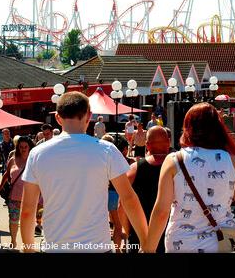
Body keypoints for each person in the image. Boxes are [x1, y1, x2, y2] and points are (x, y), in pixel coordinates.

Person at [20, 91, 148, 253]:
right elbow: (129, 199)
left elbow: (27, 211)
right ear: (89, 116)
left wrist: (28, 249)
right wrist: (146, 242)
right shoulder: (106, 150)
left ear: (58, 118)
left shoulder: (37, 153)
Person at [143, 102, 235, 253]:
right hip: (224, 244)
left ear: (188, 128)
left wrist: (149, 249)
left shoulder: (174, 161)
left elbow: (162, 212)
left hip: (182, 244)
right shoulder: (233, 162)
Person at [120, 125, 171, 253]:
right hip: (172, 235)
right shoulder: (179, 168)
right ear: (168, 143)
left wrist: (126, 231)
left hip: (140, 236)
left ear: (147, 145)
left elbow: (122, 204)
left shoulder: (134, 169)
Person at [0, 135, 36, 249]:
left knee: (28, 222)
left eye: (25, 146)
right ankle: (13, 240)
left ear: (30, 147)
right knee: (13, 220)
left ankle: (27, 244)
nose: (23, 149)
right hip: (14, 197)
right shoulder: (13, 159)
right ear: (17, 147)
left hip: (29, 198)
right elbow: (6, 174)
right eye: (21, 146)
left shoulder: (34, 160)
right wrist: (0, 188)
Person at [101, 134, 126, 252]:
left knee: (105, 223)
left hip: (101, 194)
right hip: (113, 194)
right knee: (118, 225)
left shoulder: (97, 158)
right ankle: (117, 250)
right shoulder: (112, 157)